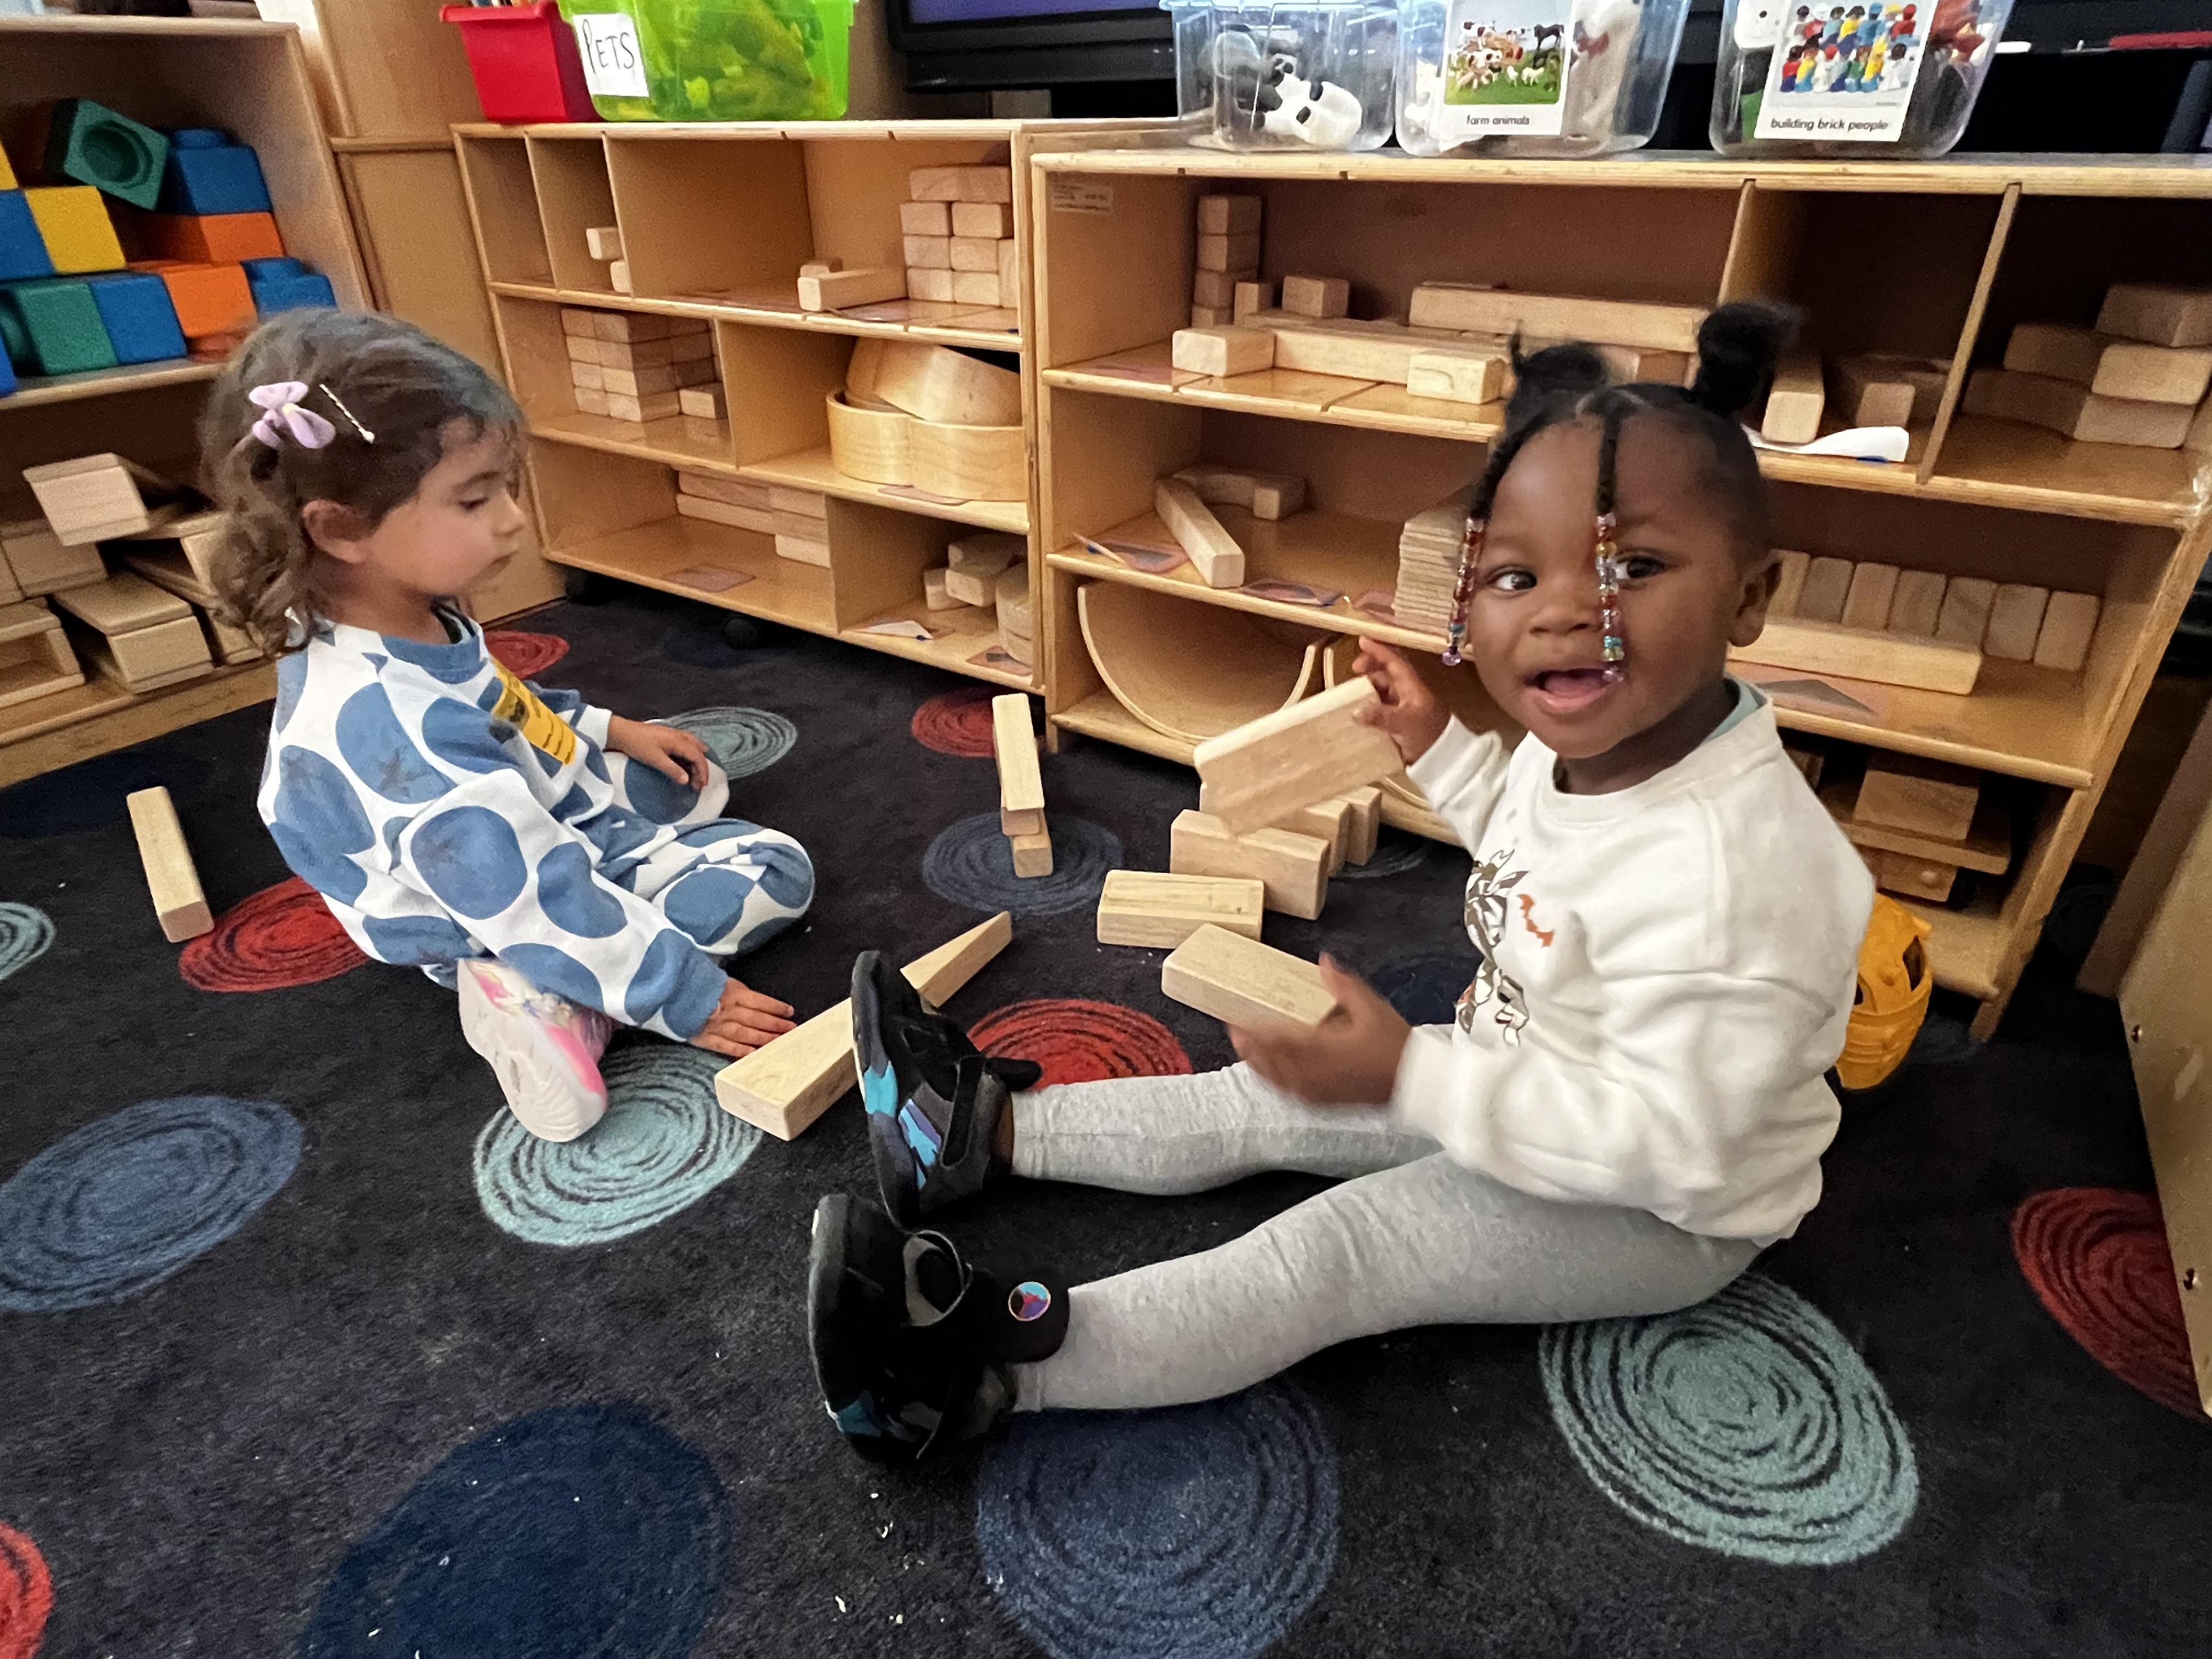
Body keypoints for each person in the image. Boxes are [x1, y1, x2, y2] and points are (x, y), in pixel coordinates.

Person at [806, 302, 1876, 1464]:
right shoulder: (1601, 745)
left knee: (1341, 1253)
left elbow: (1669, 1149)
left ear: (1752, 598)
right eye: (1516, 573)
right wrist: (1445, 754)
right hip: (1522, 1076)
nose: (1568, 609)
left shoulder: (1742, 881)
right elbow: (1535, 851)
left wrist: (1416, 1077)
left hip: (1654, 1207)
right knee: (1258, 1101)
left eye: (1638, 567)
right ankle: (976, 1134)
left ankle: (978, 1375)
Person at [202, 310, 813, 1142]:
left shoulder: (402, 617)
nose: (514, 520)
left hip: (491, 825)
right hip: (476, 898)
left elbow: (497, 699)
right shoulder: (397, 734)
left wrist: (609, 730)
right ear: (342, 528)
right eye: (475, 498)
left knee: (691, 780)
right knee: (774, 870)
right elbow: (521, 888)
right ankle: (552, 994)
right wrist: (688, 998)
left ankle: (571, 962)